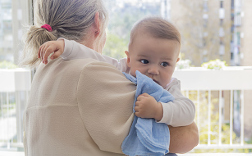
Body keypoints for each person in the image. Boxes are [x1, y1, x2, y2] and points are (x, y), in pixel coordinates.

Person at [20, 0, 198, 156]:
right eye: (145, 61)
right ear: (97, 23)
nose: (153, 70)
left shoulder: (44, 71)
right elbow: (188, 136)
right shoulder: (89, 73)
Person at [39, 17, 196, 127]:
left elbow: (188, 111)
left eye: (164, 64)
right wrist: (66, 47)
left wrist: (158, 110)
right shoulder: (122, 69)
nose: (154, 70)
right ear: (128, 58)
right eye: (145, 61)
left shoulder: (170, 86)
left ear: (175, 64)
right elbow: (95, 58)